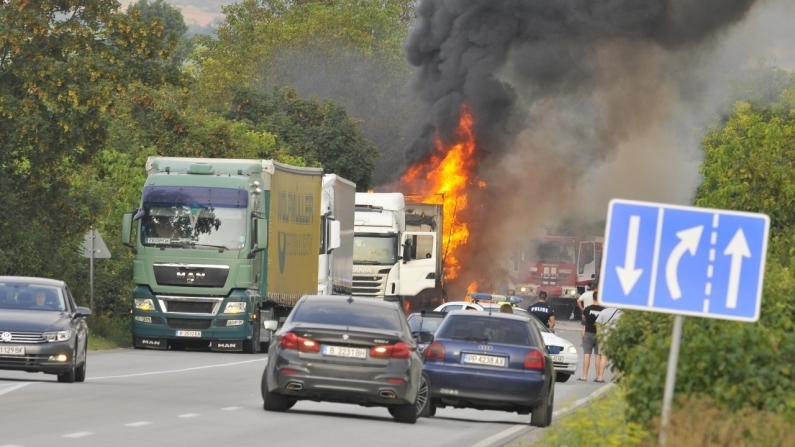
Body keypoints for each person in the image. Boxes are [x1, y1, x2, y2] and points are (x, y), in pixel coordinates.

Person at [579, 291, 606, 382]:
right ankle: (598, 376)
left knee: (587, 355)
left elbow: (584, 319)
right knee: (598, 356)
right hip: (599, 334)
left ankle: (584, 376)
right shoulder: (603, 310)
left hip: (588, 333)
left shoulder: (587, 309)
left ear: (592, 298)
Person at [596, 306, 624, 382]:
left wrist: (599, 335)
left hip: (605, 337)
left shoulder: (604, 311)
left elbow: (598, 324)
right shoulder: (621, 313)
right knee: (616, 359)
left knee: (603, 357)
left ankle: (600, 377)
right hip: (616, 338)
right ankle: (616, 377)